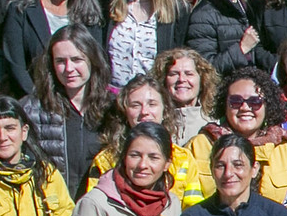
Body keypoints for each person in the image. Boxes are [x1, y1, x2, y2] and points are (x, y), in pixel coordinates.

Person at [85, 72, 207, 207]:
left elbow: (192, 210)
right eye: (135, 105)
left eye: (152, 104)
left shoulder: (183, 159)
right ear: (125, 112)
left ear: (165, 109)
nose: (144, 111)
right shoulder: (105, 160)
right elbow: (94, 208)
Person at [21, 26, 112, 198]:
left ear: (92, 60)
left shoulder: (113, 108)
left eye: (77, 59)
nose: (69, 68)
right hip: (52, 210)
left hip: (99, 210)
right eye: (61, 61)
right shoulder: (32, 109)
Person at [210, 66, 287, 205]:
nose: (244, 108)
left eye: (254, 102)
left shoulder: (286, 150)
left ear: (268, 106)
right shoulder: (203, 144)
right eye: (236, 101)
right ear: (224, 105)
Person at [156, 46, 220, 202]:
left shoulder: (216, 121)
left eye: (189, 73)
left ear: (201, 79)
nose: (181, 80)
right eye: (173, 74)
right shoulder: (156, 119)